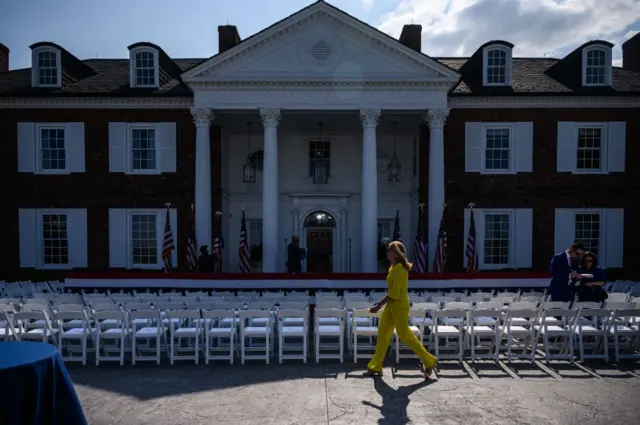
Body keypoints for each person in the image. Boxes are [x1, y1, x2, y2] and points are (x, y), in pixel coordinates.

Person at [365, 241, 438, 379]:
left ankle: (429, 360)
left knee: (405, 335)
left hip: (399, 305)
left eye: (389, 250)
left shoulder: (400, 269)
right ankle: (376, 366)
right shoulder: (393, 267)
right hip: (392, 305)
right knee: (383, 334)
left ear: (395, 253)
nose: (386, 253)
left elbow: (395, 293)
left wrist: (378, 305)